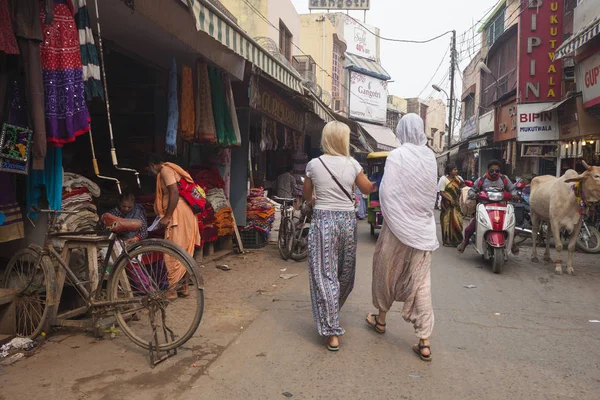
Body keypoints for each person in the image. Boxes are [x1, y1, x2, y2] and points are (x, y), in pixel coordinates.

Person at [365, 113, 438, 362]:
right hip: (423, 229)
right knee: (420, 282)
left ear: (402, 131)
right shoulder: (431, 157)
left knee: (385, 271)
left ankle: (381, 320)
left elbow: (386, 192)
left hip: (396, 227)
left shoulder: (397, 155)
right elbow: (431, 195)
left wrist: (396, 217)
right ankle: (424, 341)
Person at [303, 121, 374, 352]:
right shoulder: (353, 164)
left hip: (323, 220)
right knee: (344, 273)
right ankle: (332, 320)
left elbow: (306, 195)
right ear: (343, 140)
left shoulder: (314, 164)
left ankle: (331, 323)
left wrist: (316, 199)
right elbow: (366, 189)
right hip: (347, 223)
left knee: (325, 275)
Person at [146, 154, 201, 299]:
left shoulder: (165, 171)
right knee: (185, 250)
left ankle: (171, 290)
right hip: (185, 212)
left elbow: (174, 192)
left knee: (173, 250)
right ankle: (184, 287)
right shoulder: (173, 169)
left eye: (147, 169)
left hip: (178, 214)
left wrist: (168, 216)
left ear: (152, 165)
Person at [457, 160, 517, 253]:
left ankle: (512, 243)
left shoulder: (504, 179)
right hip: (485, 209)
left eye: (497, 171)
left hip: (502, 209)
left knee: (512, 227)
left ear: (499, 171)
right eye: (492, 171)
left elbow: (512, 189)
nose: (494, 173)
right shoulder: (482, 180)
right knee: (469, 229)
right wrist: (472, 194)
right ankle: (464, 242)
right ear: (488, 170)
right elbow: (472, 190)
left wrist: (514, 194)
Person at [438, 163, 465, 247]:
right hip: (446, 205)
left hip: (456, 204)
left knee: (458, 221)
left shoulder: (458, 179)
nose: (456, 171)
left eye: (456, 169)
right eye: (454, 170)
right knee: (446, 222)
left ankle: (457, 240)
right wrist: (450, 199)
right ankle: (447, 241)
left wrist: (458, 198)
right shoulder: (444, 180)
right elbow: (441, 192)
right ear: (450, 171)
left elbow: (462, 188)